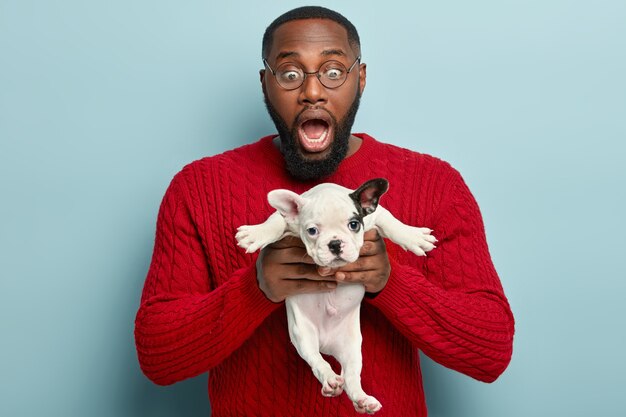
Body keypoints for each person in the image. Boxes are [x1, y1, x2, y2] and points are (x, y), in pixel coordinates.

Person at [134, 6, 515, 417]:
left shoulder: (435, 183)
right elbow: (158, 357)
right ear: (266, 84)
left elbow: (490, 352)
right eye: (290, 73)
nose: (312, 92)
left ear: (360, 78)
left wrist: (389, 282)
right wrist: (256, 289)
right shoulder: (199, 188)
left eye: (333, 72)